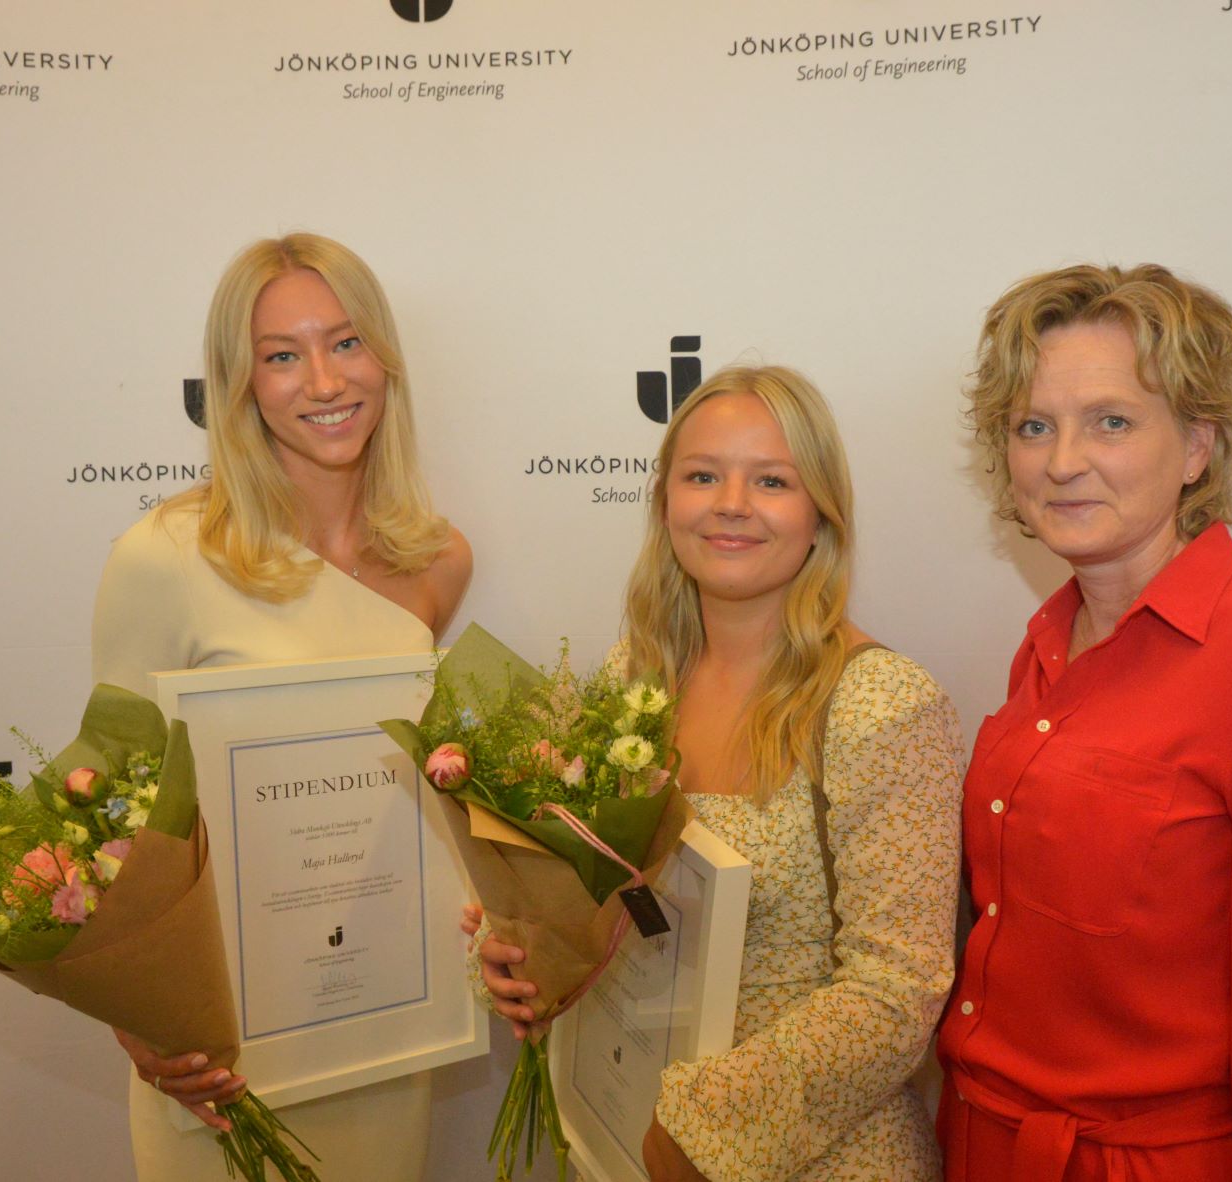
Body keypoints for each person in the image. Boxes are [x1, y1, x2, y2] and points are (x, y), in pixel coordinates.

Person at [937, 263, 1232, 1181]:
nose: (1062, 461)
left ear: (1195, 446)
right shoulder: (1046, 641)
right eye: (1033, 426)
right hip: (984, 1141)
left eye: (1110, 421)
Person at [468, 365, 964, 1181]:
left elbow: (896, 992)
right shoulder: (633, 680)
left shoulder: (879, 703)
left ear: (820, 515)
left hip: (817, 1159)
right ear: (665, 502)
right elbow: (581, 901)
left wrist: (705, 1130)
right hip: (626, 1133)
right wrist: (513, 955)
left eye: (771, 481)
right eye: (702, 476)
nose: (731, 503)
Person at [91, 232, 470, 1181]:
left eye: (345, 342)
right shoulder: (164, 556)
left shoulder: (437, 559)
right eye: (281, 355)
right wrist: (135, 1015)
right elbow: (108, 808)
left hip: (381, 1020)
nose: (324, 381)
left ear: (384, 356)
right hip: (218, 1046)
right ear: (240, 383)